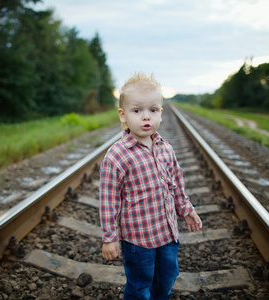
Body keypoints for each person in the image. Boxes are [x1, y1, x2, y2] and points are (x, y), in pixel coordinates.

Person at [99, 71, 202, 299]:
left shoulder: (166, 149)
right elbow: (108, 200)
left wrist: (187, 210)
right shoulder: (117, 156)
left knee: (167, 278)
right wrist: (109, 237)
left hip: (167, 234)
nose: (146, 117)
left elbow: (176, 185)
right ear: (123, 115)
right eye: (137, 111)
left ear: (161, 114)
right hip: (138, 239)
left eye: (152, 110)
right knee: (139, 285)